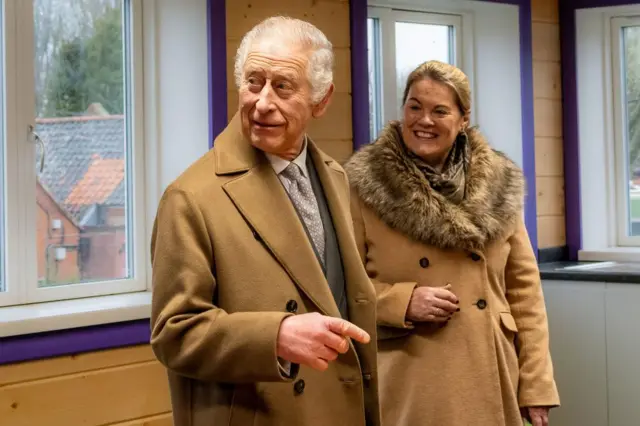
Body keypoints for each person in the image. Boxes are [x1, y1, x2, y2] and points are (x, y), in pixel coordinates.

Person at [150, 16, 380, 426]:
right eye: (254, 82)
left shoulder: (336, 175)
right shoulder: (190, 197)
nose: (262, 102)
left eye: (283, 86)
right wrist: (276, 337)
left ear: (321, 100)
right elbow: (174, 333)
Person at [344, 60, 560, 426]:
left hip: (492, 368)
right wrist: (402, 301)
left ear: (462, 120)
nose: (423, 121)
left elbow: (524, 292)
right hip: (409, 377)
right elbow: (339, 286)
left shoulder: (499, 185)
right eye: (414, 106)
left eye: (439, 110)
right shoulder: (364, 185)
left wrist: (536, 385)